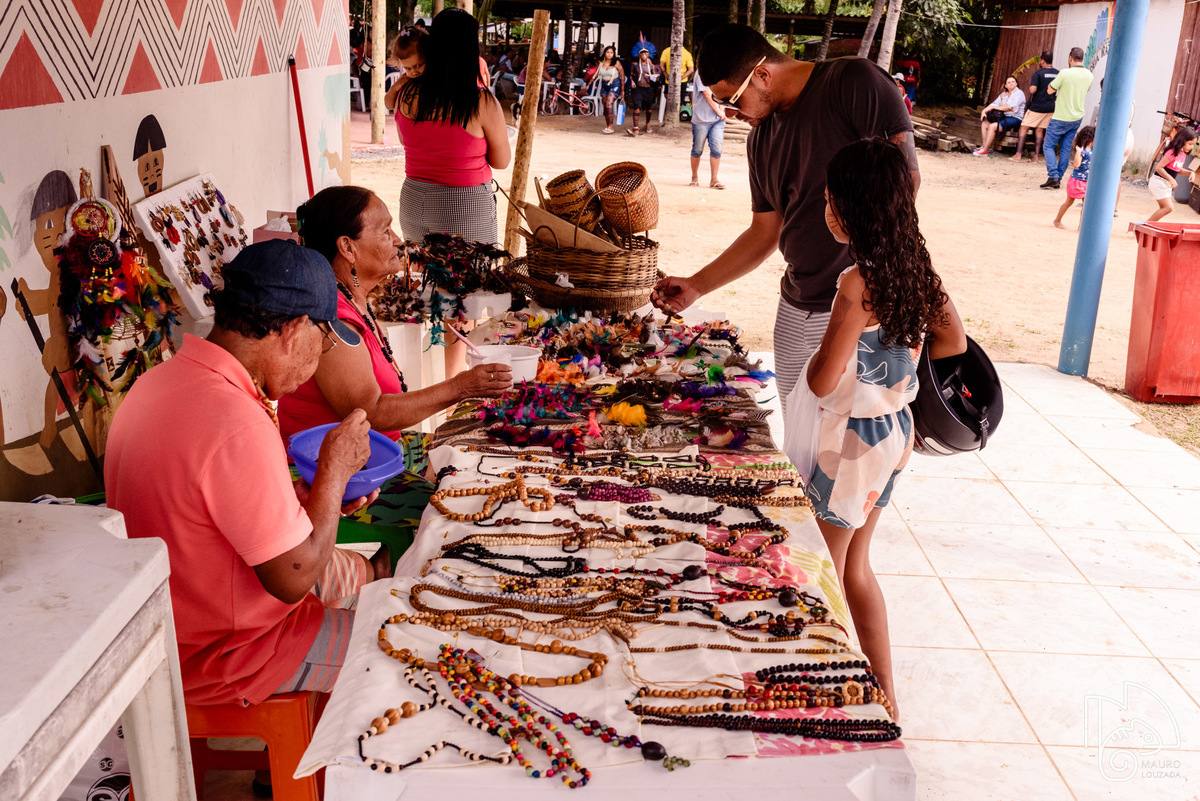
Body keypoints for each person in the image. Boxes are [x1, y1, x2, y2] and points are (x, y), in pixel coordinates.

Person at [105, 239, 388, 707]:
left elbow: (205, 507)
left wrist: (306, 494)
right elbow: (293, 576)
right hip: (228, 655)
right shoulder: (234, 419)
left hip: (166, 630)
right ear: (296, 330)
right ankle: (305, 770)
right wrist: (335, 472)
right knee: (400, 648)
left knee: (359, 574)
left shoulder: (160, 381)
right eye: (322, 345)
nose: (315, 365)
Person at [651, 23, 918, 406]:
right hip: (795, 307)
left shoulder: (854, 82)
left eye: (734, 100)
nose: (730, 113)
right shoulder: (760, 141)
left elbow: (906, 184)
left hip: (865, 307)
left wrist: (880, 290)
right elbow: (765, 232)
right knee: (801, 443)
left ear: (762, 74)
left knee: (861, 443)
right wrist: (697, 285)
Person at [803, 138, 966, 723]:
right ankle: (886, 697)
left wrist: (846, 353)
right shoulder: (919, 273)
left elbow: (822, 381)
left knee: (822, 570)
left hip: (852, 444)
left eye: (829, 200)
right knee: (855, 566)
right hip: (894, 436)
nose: (825, 209)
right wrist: (899, 367)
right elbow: (955, 343)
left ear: (851, 210)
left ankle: (836, 692)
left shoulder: (856, 284)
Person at [278, 185, 512, 444]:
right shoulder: (331, 318)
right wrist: (460, 387)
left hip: (373, 448)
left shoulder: (350, 298)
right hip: (334, 468)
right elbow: (371, 412)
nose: (398, 241)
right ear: (347, 247)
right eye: (385, 232)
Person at [386, 8, 511, 244]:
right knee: (470, 278)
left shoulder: (405, 93)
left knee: (424, 277)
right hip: (463, 206)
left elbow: (406, 141)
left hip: (413, 201)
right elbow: (501, 161)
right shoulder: (480, 102)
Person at [1041, 47, 1093, 189]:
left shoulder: (1065, 73)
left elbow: (1050, 89)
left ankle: (1053, 176)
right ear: (1082, 58)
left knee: (1048, 145)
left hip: (1061, 116)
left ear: (1070, 58)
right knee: (1065, 148)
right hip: (1077, 117)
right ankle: (1058, 178)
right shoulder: (1089, 75)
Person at [1010, 51, 1057, 164]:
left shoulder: (1038, 73)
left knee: (1024, 127)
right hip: (1050, 107)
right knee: (1040, 129)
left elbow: (1033, 90)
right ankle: (1036, 156)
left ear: (1042, 61)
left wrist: (1032, 88)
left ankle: (1018, 154)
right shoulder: (1057, 73)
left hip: (1037, 107)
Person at [1147, 126, 1197, 222]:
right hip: (1159, 182)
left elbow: (1178, 170)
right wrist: (1171, 179)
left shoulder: (1183, 154)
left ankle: (1146, 226)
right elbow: (1159, 167)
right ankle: (1143, 226)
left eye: (1193, 145)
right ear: (1183, 140)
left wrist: (1191, 172)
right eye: (1190, 144)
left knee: (1164, 208)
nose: (1191, 147)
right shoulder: (1172, 152)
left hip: (1166, 184)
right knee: (1168, 208)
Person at [1053, 125, 1094, 228]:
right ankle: (1057, 221)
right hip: (1078, 181)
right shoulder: (1083, 151)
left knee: (1085, 205)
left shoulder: (1091, 151)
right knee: (1069, 202)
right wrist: (1078, 153)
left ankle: (1081, 227)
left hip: (1086, 181)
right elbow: (1076, 165)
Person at [689, 72, 726, 189]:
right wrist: (719, 112)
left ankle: (714, 179)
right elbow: (707, 94)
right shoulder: (701, 73)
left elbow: (724, 93)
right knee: (697, 149)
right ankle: (694, 177)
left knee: (717, 149)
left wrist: (722, 111)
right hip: (701, 119)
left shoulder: (720, 73)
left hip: (718, 120)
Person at [973, 76, 1025, 157]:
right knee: (985, 122)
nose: (1011, 84)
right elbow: (993, 104)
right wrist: (984, 111)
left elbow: (1011, 107)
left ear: (1016, 83)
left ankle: (985, 151)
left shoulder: (1019, 93)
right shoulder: (1003, 95)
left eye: (1013, 81)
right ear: (1005, 86)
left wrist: (995, 108)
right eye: (1009, 82)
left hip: (1015, 118)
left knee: (992, 126)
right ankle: (984, 146)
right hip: (1004, 118)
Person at [586, 45, 625, 134]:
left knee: (609, 103)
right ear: (604, 53)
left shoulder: (616, 63)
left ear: (614, 54)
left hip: (615, 84)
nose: (609, 54)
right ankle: (608, 125)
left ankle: (611, 126)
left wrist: (622, 90)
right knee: (605, 106)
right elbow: (595, 75)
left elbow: (622, 75)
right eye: (608, 52)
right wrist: (589, 84)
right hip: (604, 85)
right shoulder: (601, 63)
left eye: (611, 53)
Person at [627, 47, 662, 136]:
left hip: (648, 88)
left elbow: (655, 78)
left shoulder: (651, 65)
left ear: (648, 55)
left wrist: (653, 77)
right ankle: (635, 127)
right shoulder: (635, 65)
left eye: (645, 53)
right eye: (642, 53)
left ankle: (648, 123)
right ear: (639, 55)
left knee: (649, 109)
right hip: (639, 88)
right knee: (637, 108)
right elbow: (630, 75)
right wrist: (632, 81)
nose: (644, 55)